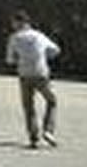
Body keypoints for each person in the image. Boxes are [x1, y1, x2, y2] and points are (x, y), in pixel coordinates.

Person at [6, 11, 61, 149]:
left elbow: (10, 60)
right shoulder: (38, 35)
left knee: (28, 106)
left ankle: (33, 137)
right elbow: (55, 50)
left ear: (20, 22)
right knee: (51, 100)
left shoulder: (14, 38)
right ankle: (48, 130)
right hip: (41, 73)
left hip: (24, 75)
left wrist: (20, 58)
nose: (12, 25)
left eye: (13, 22)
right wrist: (44, 56)